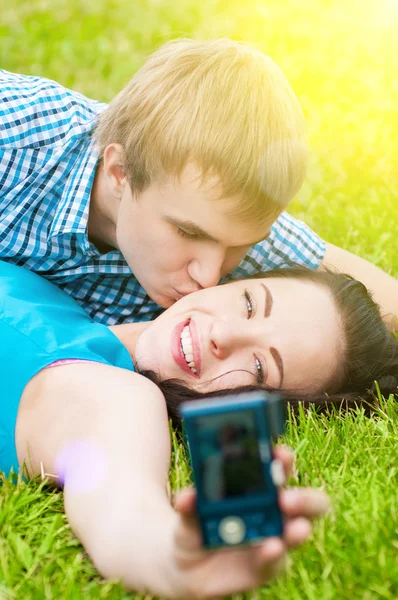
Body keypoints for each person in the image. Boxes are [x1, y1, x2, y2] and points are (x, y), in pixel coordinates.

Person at [1, 260, 396, 598]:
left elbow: (123, 509)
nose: (223, 336)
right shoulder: (61, 292)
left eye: (260, 368)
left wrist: (171, 559)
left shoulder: (117, 397)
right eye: (249, 304)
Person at [0, 39, 397, 330]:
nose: (208, 276)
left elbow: (384, 303)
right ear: (120, 171)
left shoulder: (224, 222)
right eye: (187, 232)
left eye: (240, 246)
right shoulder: (14, 141)